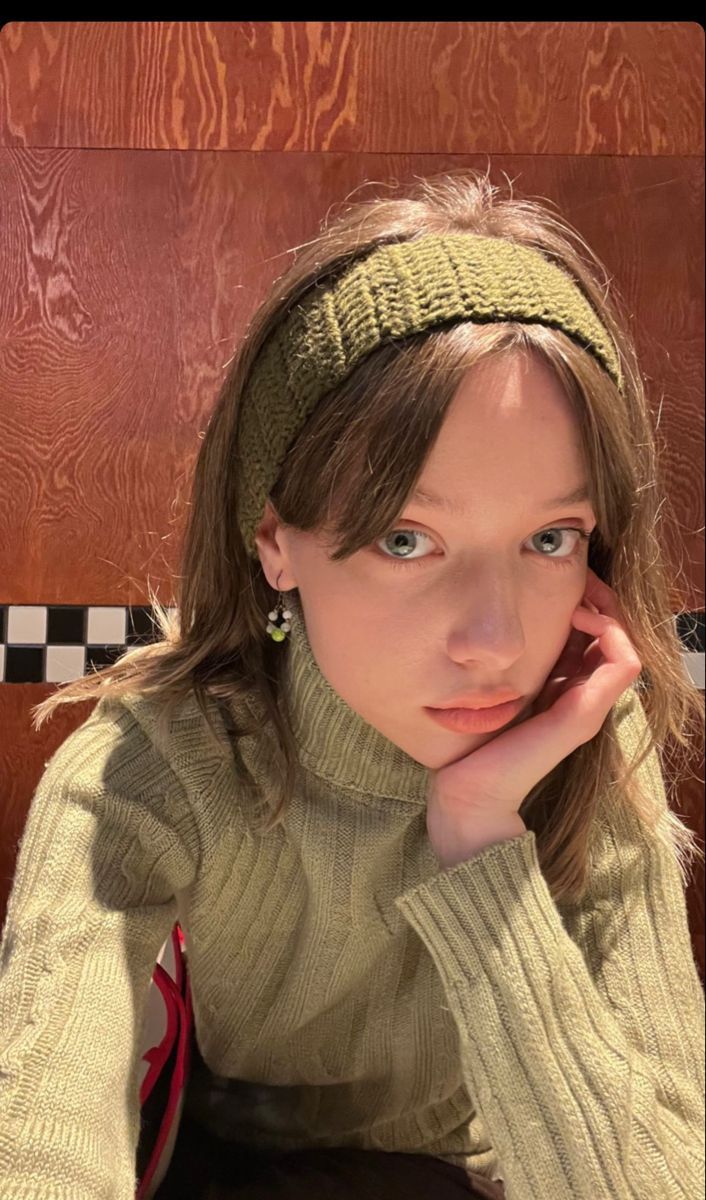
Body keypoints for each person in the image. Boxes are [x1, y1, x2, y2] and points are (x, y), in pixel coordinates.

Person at [0, 167, 703, 1200]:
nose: (492, 639)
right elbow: (41, 1128)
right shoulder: (154, 762)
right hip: (228, 1163)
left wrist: (480, 835)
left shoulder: (596, 759)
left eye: (549, 537)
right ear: (275, 541)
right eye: (406, 538)